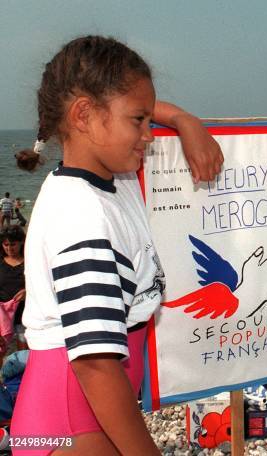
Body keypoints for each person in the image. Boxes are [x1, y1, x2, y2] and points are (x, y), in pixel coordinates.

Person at [11, 36, 223, 454]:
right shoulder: (82, 217)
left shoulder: (110, 176)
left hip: (86, 410)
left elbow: (127, 103)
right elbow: (95, 364)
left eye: (148, 120)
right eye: (139, 122)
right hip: (71, 420)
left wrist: (184, 120)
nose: (148, 135)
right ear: (84, 116)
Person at [0, 226, 26, 350]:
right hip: (2, 315)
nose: (9, 248)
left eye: (13, 244)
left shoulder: (29, 262)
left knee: (24, 352)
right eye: (6, 245)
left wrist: (28, 291)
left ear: (21, 242)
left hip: (23, 315)